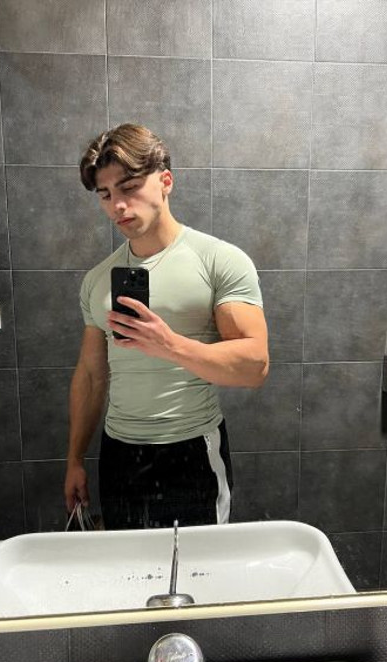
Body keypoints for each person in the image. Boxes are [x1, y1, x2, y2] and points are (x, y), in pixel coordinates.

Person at [64, 123, 269, 530]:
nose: (118, 205)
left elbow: (255, 366)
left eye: (129, 187)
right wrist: (74, 460)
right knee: (128, 565)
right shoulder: (97, 280)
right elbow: (90, 375)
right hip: (119, 452)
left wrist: (169, 345)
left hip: (191, 451)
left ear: (165, 181)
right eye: (105, 195)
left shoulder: (219, 260)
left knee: (198, 565)